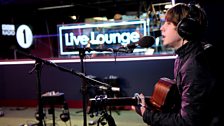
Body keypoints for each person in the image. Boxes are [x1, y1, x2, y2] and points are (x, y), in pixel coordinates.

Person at [134, 2, 223, 126]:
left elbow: (187, 122)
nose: (161, 28)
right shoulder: (184, 57)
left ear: (184, 28)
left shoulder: (195, 65)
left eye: (168, 23)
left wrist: (147, 115)